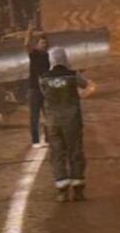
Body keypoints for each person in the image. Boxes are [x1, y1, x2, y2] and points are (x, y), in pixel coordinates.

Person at [39, 46, 96, 202]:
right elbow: (91, 87)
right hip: (72, 120)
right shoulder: (73, 76)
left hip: (53, 121)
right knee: (75, 152)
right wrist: (81, 96)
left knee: (57, 154)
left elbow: (44, 97)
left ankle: (62, 190)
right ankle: (78, 190)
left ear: (51, 59)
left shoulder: (43, 78)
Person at [25, 31, 52, 145]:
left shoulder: (48, 56)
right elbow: (26, 44)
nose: (44, 45)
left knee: (48, 114)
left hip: (45, 89)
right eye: (42, 43)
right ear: (37, 44)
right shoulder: (34, 54)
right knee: (34, 116)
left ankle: (47, 138)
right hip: (34, 89)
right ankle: (35, 141)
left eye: (45, 43)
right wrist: (29, 32)